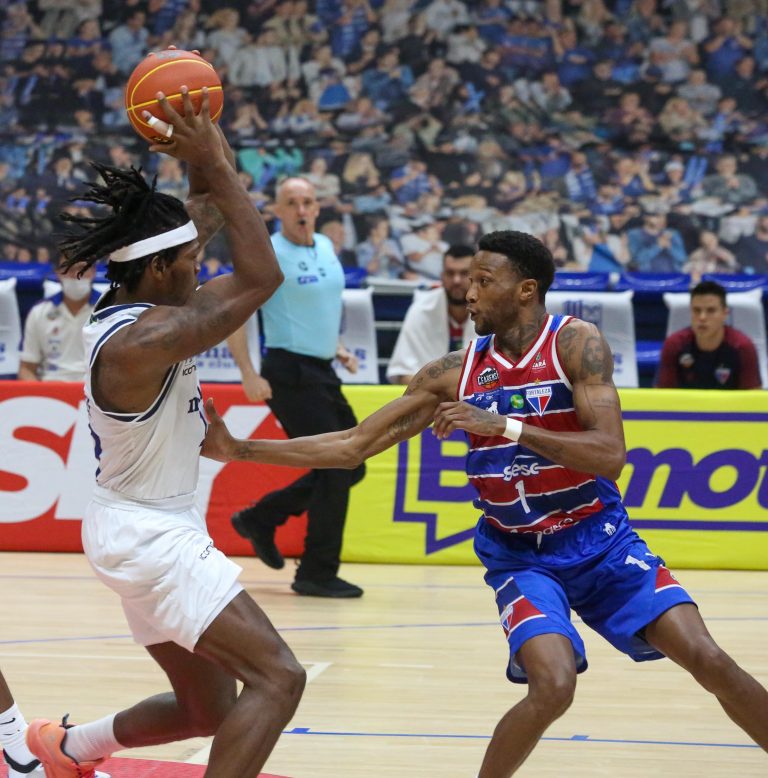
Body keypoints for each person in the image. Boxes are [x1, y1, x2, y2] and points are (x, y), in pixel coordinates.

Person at [202, 230, 768, 777]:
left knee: (710, 659)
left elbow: (609, 454)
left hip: (600, 541)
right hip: (520, 557)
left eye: (482, 281)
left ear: (525, 290)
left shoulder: (575, 343)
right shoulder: (452, 372)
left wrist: (504, 426)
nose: (468, 293)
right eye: (467, 281)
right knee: (553, 685)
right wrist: (241, 449)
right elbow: (352, 445)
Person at [26, 88, 305, 778]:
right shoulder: (144, 340)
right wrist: (216, 160)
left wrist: (201, 145)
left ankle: (68, 746)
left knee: (206, 710)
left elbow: (208, 210)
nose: (200, 269)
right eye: (191, 264)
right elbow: (262, 274)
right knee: (279, 678)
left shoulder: (144, 298)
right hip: (150, 536)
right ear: (157, 269)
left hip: (137, 527)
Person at [227, 176, 366, 598]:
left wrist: (337, 348)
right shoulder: (268, 253)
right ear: (277, 210)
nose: (301, 209)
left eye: (307, 201)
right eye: (291, 202)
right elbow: (236, 314)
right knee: (337, 466)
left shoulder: (324, 245)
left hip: (322, 369)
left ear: (318, 207)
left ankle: (261, 518)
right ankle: (316, 573)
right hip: (289, 372)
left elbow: (318, 308)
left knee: (353, 464)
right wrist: (248, 373)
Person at [387, 244, 477, 385]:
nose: (456, 280)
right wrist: (444, 391)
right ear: (442, 275)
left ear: (476, 277)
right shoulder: (421, 310)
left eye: (464, 273)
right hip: (431, 397)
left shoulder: (493, 313)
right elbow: (402, 374)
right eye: (450, 273)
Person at [656, 280, 761, 389]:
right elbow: (662, 395)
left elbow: (753, 396)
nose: (702, 317)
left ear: (725, 313)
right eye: (696, 310)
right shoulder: (674, 345)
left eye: (711, 310)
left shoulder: (742, 347)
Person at [17, 256, 98, 381]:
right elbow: (26, 368)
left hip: (94, 388)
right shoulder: (39, 312)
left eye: (82, 268)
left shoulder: (109, 310)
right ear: (58, 273)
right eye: (69, 268)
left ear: (93, 272)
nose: (76, 275)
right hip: (51, 386)